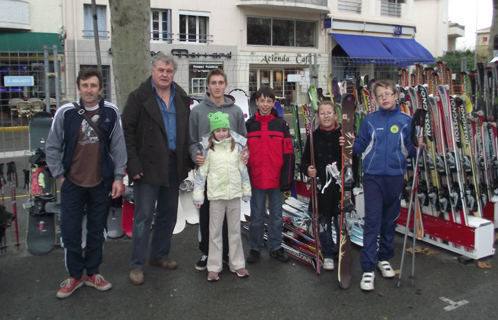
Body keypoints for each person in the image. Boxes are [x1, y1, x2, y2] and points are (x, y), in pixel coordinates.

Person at [46, 67, 127, 298]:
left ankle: (92, 273)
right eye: (85, 85)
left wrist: (118, 177)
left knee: (96, 230)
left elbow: (118, 147)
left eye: (93, 85)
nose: (89, 90)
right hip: (72, 182)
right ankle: (74, 276)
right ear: (79, 87)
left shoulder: (111, 112)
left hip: (101, 182)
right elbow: (52, 147)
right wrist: (60, 177)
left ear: (101, 88)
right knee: (70, 231)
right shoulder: (65, 113)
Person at [122, 52, 192, 285]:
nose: (165, 74)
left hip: (173, 163)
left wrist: (188, 161)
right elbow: (128, 133)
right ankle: (137, 264)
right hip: (147, 166)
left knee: (168, 213)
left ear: (174, 73)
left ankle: (160, 255)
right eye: (161, 70)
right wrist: (133, 164)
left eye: (169, 71)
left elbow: (187, 131)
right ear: (152, 71)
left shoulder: (181, 96)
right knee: (142, 216)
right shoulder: (138, 97)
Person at [353, 79, 424, 291]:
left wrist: (419, 145)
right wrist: (347, 143)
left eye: (388, 94)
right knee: (372, 220)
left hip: (395, 176)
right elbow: (359, 146)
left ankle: (384, 258)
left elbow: (411, 150)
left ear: (396, 96)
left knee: (389, 220)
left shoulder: (405, 120)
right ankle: (367, 268)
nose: (384, 98)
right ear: (375, 99)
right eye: (380, 95)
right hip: (372, 176)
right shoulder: (370, 120)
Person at [189, 68, 247, 271]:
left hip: (230, 173)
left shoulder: (236, 112)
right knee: (207, 215)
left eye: (220, 82)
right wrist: (195, 154)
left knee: (230, 217)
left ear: (226, 84)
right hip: (209, 173)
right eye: (213, 82)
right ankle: (207, 252)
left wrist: (244, 154)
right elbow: (192, 141)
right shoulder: (197, 111)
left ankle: (228, 254)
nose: (217, 86)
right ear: (207, 85)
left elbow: (242, 140)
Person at [192, 111, 251, 281]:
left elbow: (243, 171)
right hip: (216, 197)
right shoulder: (208, 150)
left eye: (224, 130)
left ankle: (237, 263)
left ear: (228, 130)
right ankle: (214, 266)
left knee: (234, 231)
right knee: (215, 232)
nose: (221, 133)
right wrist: (198, 197)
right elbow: (201, 175)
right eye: (217, 131)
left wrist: (246, 191)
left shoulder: (237, 148)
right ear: (213, 132)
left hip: (233, 196)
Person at [245, 86, 295, 263]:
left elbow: (289, 153)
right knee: (257, 217)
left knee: (276, 216)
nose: (265, 104)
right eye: (262, 100)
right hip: (256, 180)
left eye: (269, 101)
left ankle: (275, 247)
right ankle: (255, 248)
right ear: (256, 102)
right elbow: (243, 154)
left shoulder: (281, 125)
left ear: (274, 103)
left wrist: (287, 178)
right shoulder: (249, 125)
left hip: (276, 179)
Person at [301, 101, 342, 271]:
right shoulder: (313, 136)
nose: (326, 116)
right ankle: (328, 253)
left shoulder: (343, 134)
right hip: (322, 188)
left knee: (341, 221)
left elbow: (353, 160)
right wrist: (307, 169)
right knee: (323, 221)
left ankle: (341, 249)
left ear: (335, 115)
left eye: (329, 113)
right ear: (318, 117)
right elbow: (304, 161)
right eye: (322, 113)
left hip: (339, 187)